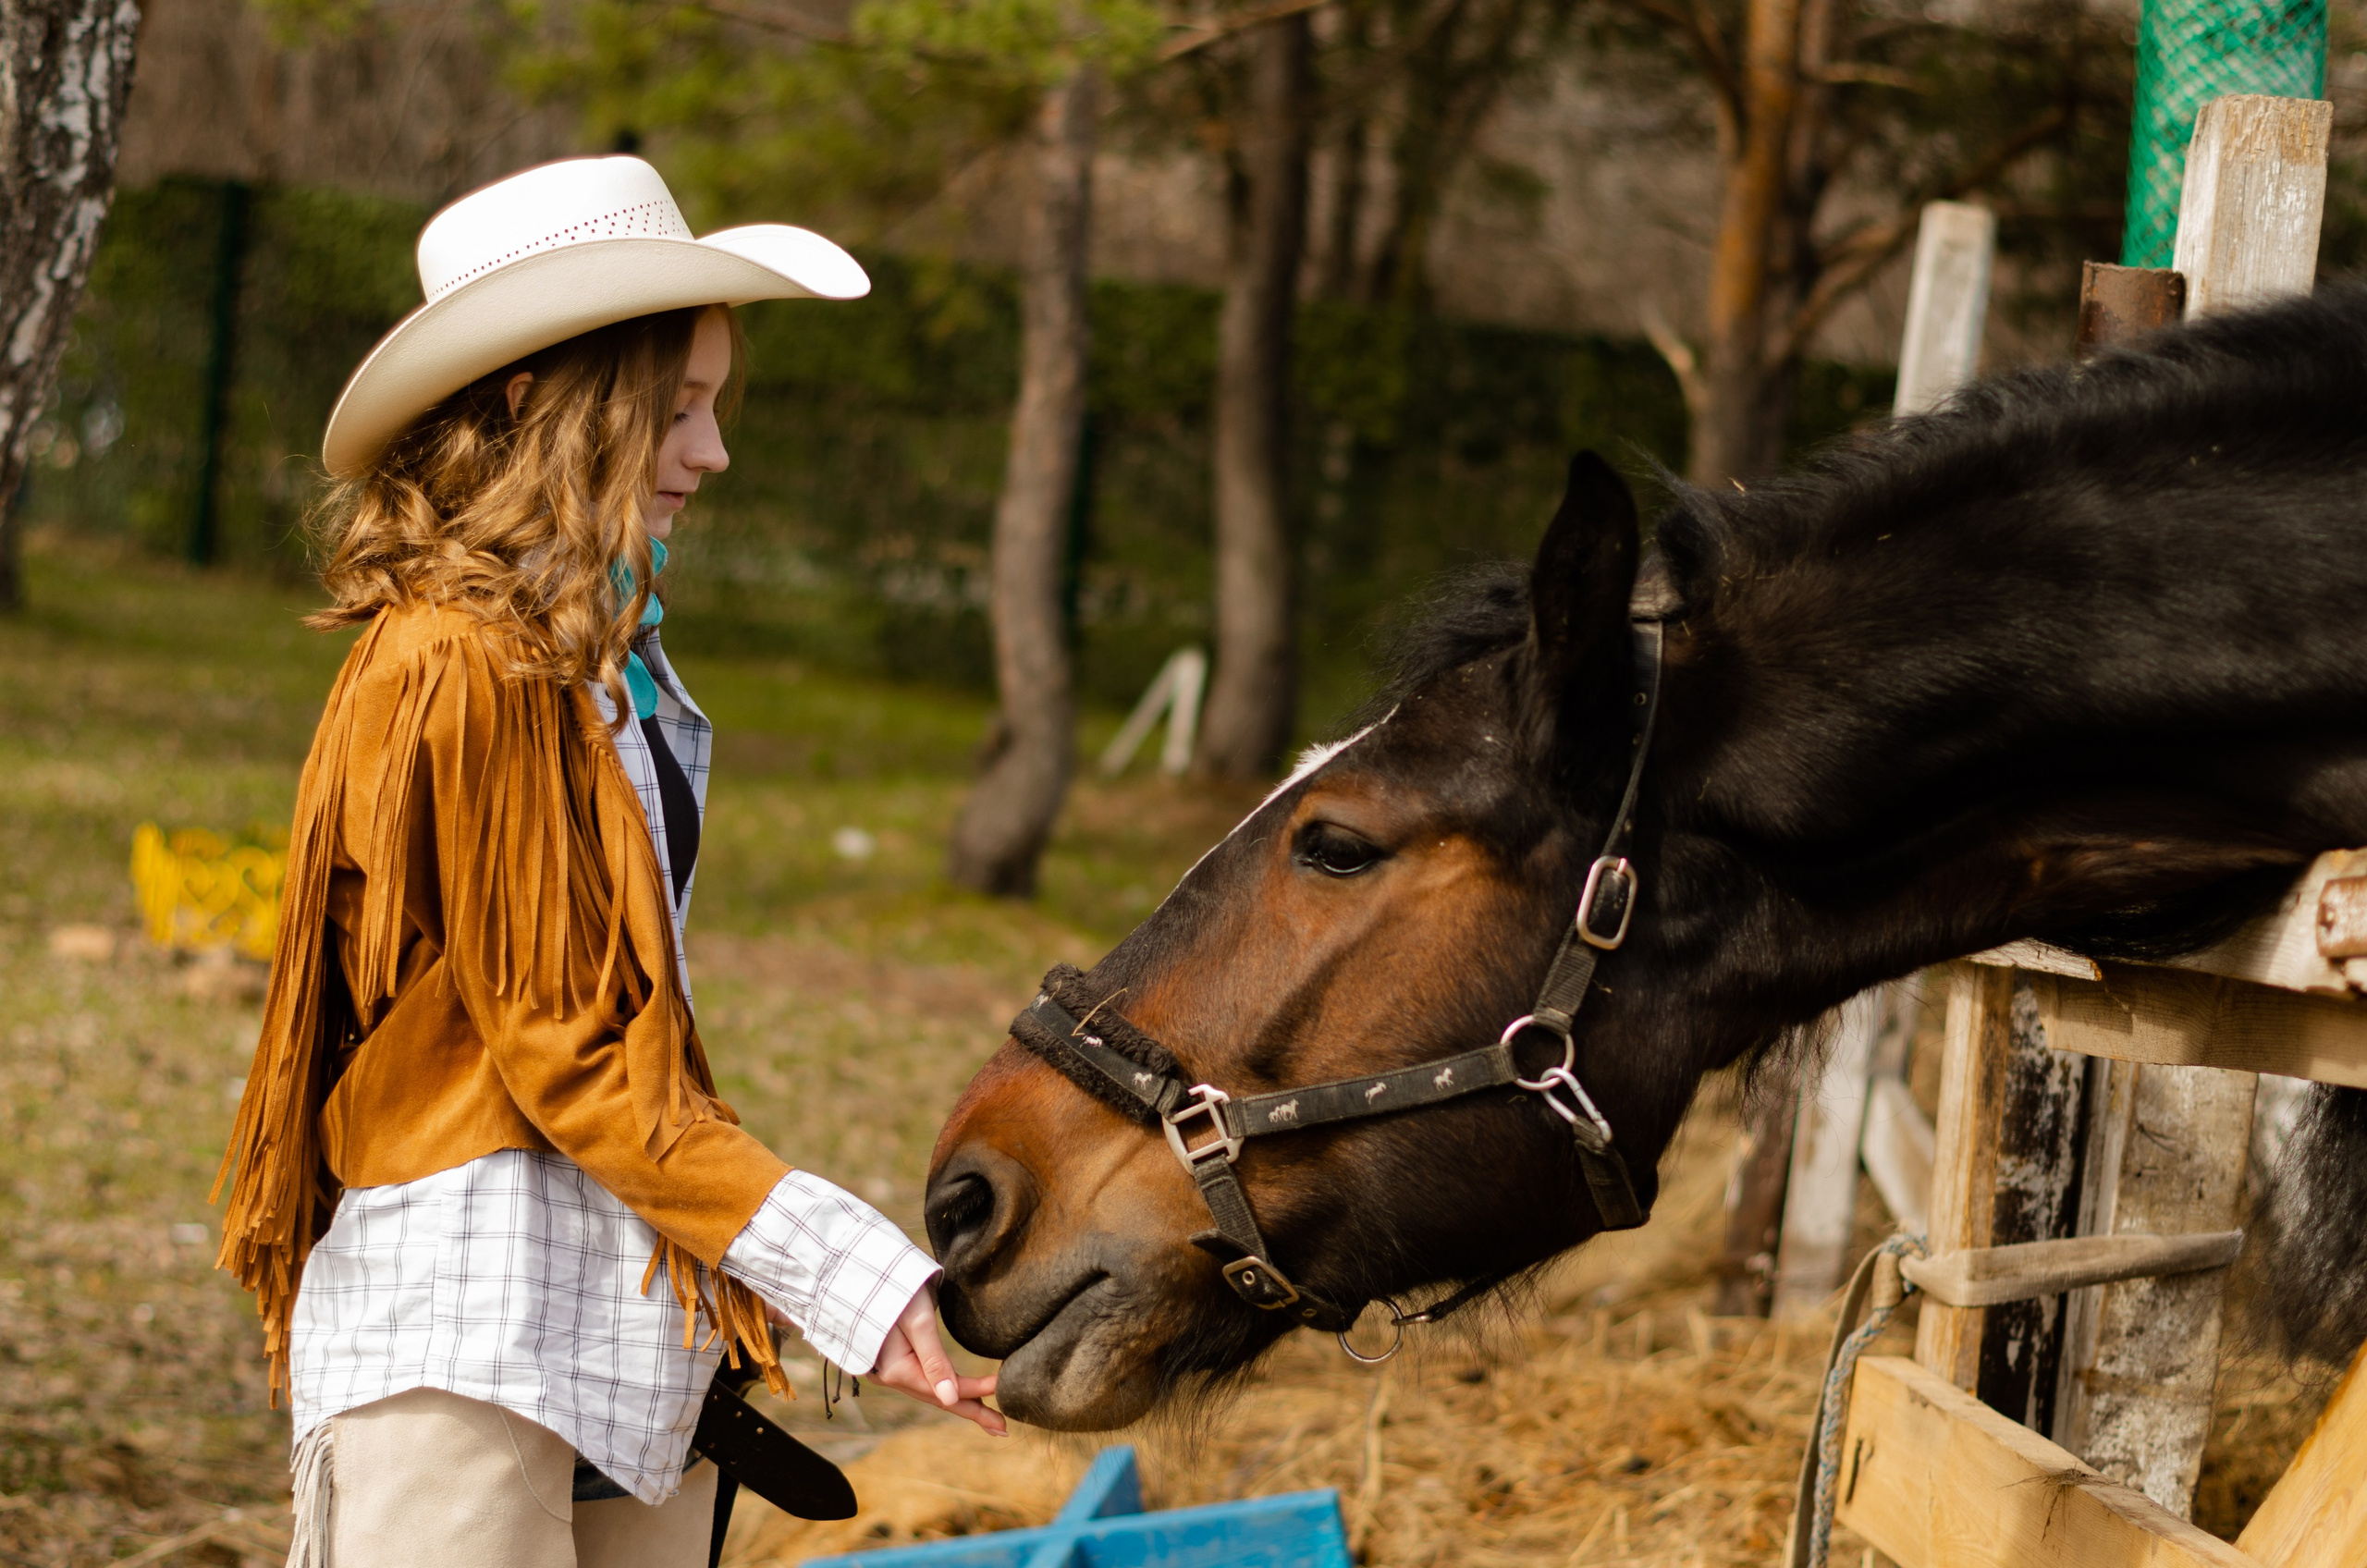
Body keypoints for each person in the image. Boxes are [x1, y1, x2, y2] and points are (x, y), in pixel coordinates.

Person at [214, 155, 1002, 1568]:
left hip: (619, 1333)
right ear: (536, 403)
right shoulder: (461, 664)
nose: (712, 454)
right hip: (467, 1352)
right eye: (677, 411)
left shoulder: (596, 664)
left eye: (710, 408)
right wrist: (852, 1277)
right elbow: (572, 1053)